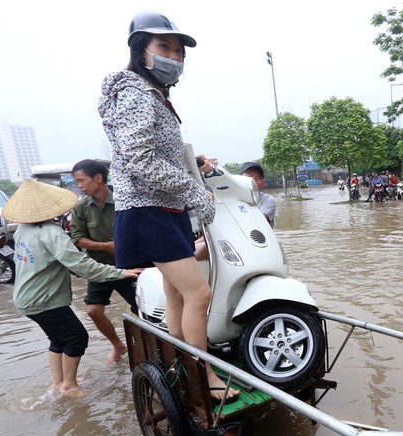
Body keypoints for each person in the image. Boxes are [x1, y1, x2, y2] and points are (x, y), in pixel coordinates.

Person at [98, 11, 237, 400]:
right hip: (149, 209)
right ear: (140, 51)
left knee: (178, 294)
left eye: (178, 51)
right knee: (200, 294)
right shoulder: (135, 92)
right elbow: (141, 160)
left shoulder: (155, 95)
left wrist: (195, 173)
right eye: (164, 47)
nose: (173, 57)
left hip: (166, 208)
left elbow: (161, 154)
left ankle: (182, 362)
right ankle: (203, 374)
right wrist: (195, 194)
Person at [3, 180, 142, 397]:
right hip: (44, 300)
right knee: (77, 338)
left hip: (25, 298)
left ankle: (57, 384)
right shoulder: (51, 233)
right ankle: (70, 386)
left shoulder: (23, 230)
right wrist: (121, 272)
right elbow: (81, 265)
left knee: (58, 339)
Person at [69, 159, 139, 365]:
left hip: (130, 266)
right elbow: (77, 238)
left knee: (143, 311)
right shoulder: (81, 207)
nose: (79, 186)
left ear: (98, 178)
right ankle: (118, 345)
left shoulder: (124, 201)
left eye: (81, 181)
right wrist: (105, 246)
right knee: (93, 311)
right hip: (100, 268)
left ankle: (143, 347)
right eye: (77, 182)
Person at [240, 161, 276, 226]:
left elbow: (259, 222)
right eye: (249, 176)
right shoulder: (229, 197)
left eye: (258, 178)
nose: (253, 181)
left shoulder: (267, 200)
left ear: (262, 183)